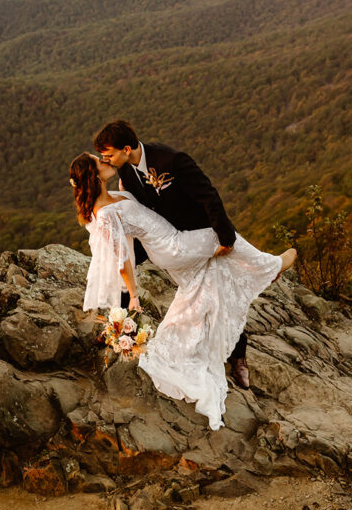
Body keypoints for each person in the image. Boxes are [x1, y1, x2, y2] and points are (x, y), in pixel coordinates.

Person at [69, 151, 296, 432]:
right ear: (93, 175)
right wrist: (134, 295)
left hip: (170, 240)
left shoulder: (121, 185)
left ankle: (221, 343)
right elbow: (122, 260)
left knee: (209, 282)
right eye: (99, 161)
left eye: (105, 156)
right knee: (219, 234)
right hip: (172, 247)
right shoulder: (104, 216)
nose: (106, 161)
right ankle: (271, 266)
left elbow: (141, 203)